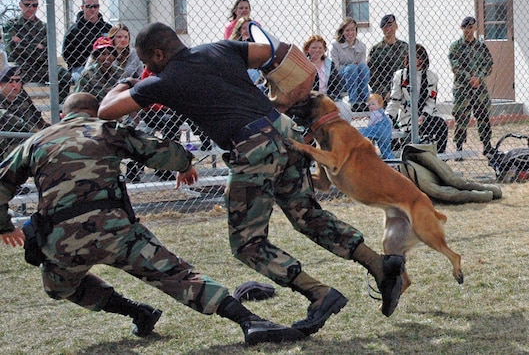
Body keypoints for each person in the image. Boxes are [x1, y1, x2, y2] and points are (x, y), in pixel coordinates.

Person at [98, 22, 406, 336]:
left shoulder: (162, 80)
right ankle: (380, 265)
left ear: (159, 54)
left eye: (147, 61)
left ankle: (319, 294)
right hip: (285, 130)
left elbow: (105, 111)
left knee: (247, 244)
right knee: (308, 215)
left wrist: (127, 81)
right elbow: (281, 52)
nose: (147, 68)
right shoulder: (219, 48)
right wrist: (287, 93)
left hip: (252, 148)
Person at [0, 92, 304, 346]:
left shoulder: (35, 142)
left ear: (64, 115)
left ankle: (137, 312)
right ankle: (250, 321)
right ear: (95, 112)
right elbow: (161, 152)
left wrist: (5, 226)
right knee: (177, 275)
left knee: (59, 286)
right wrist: (184, 164)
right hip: (117, 233)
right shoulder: (108, 130)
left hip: (62, 242)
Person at [3, 0, 71, 103]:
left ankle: (58, 110)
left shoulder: (43, 26)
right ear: (20, 5)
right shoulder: (11, 25)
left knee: (65, 75)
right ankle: (19, 112)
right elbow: (12, 50)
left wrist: (23, 44)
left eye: (35, 5)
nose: (31, 8)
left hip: (42, 66)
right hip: (21, 66)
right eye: (27, 5)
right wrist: (36, 47)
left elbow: (48, 51)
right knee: (11, 82)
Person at [387, 44, 448, 153]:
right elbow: (394, 101)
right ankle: (409, 149)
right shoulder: (400, 75)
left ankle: (439, 157)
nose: (417, 62)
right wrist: (388, 117)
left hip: (425, 116)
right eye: (414, 58)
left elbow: (431, 102)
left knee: (441, 124)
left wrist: (424, 115)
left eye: (420, 58)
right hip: (407, 115)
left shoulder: (432, 77)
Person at [449, 16, 494, 157]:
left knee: (483, 116)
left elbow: (489, 64)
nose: (469, 30)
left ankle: (487, 145)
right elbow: (455, 66)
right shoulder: (456, 46)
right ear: (462, 28)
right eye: (466, 27)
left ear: (475, 28)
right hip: (463, 88)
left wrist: (478, 78)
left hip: (479, 89)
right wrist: (469, 78)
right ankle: (459, 147)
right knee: (461, 118)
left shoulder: (481, 46)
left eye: (471, 27)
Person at [62, 0, 112, 83]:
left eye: (95, 6)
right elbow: (67, 54)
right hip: (80, 67)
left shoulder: (107, 28)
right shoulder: (74, 30)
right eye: (89, 6)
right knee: (86, 80)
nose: (93, 9)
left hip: (106, 66)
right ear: (82, 7)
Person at [367, 14, 409, 104]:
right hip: (383, 94)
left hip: (404, 91)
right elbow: (372, 75)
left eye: (390, 25)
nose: (388, 28)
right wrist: (385, 92)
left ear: (396, 26)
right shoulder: (376, 50)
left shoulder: (405, 47)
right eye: (385, 26)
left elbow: (410, 70)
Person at [330, 17, 370, 110]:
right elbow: (334, 67)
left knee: (364, 68)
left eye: (353, 30)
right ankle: (354, 102)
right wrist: (350, 67)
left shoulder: (361, 46)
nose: (350, 33)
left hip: (357, 76)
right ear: (342, 31)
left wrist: (355, 67)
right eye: (347, 30)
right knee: (352, 69)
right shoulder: (335, 45)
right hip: (340, 77)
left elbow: (362, 65)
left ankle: (364, 101)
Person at [74, 37, 123, 102]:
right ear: (96, 56)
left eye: (110, 53)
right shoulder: (87, 74)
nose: (107, 57)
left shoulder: (120, 73)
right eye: (103, 54)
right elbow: (78, 98)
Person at [304, 35, 344, 101]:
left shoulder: (329, 63)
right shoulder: (304, 64)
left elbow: (338, 83)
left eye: (320, 48)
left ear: (324, 49)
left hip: (328, 98)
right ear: (307, 49)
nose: (317, 50)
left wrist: (332, 96)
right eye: (314, 48)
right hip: (310, 100)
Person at [359, 93, 395, 160]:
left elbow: (371, 123)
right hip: (387, 131)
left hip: (379, 130)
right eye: (369, 105)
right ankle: (391, 160)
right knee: (385, 148)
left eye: (373, 104)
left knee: (363, 131)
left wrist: (368, 127)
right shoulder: (384, 112)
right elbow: (390, 121)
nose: (371, 106)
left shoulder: (374, 113)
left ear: (380, 104)